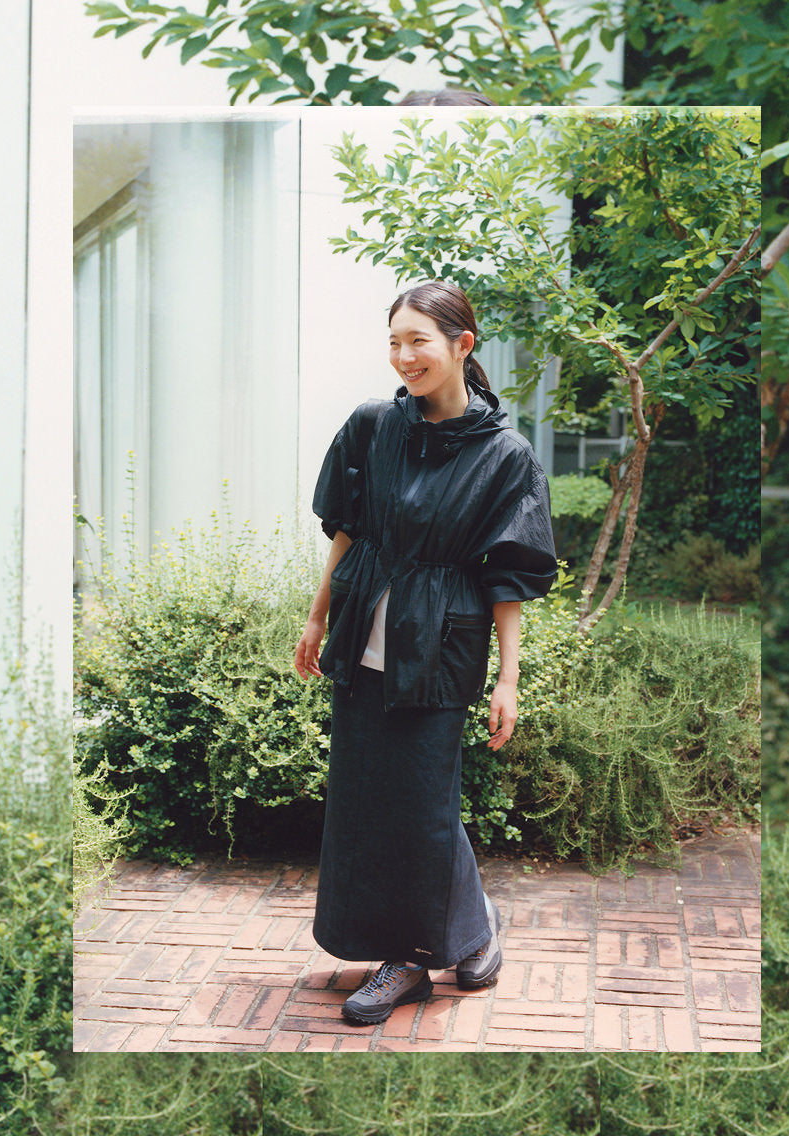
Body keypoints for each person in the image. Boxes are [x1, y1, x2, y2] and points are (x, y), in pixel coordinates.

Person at [294, 280, 557, 1025]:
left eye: (420, 341)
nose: (404, 356)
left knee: (418, 801)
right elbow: (346, 530)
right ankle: (473, 931)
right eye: (394, 341)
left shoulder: (505, 456)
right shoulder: (371, 426)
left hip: (442, 641)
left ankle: (408, 961)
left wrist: (510, 680)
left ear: (461, 346)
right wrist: (316, 619)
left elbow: (508, 576)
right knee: (382, 796)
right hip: (362, 633)